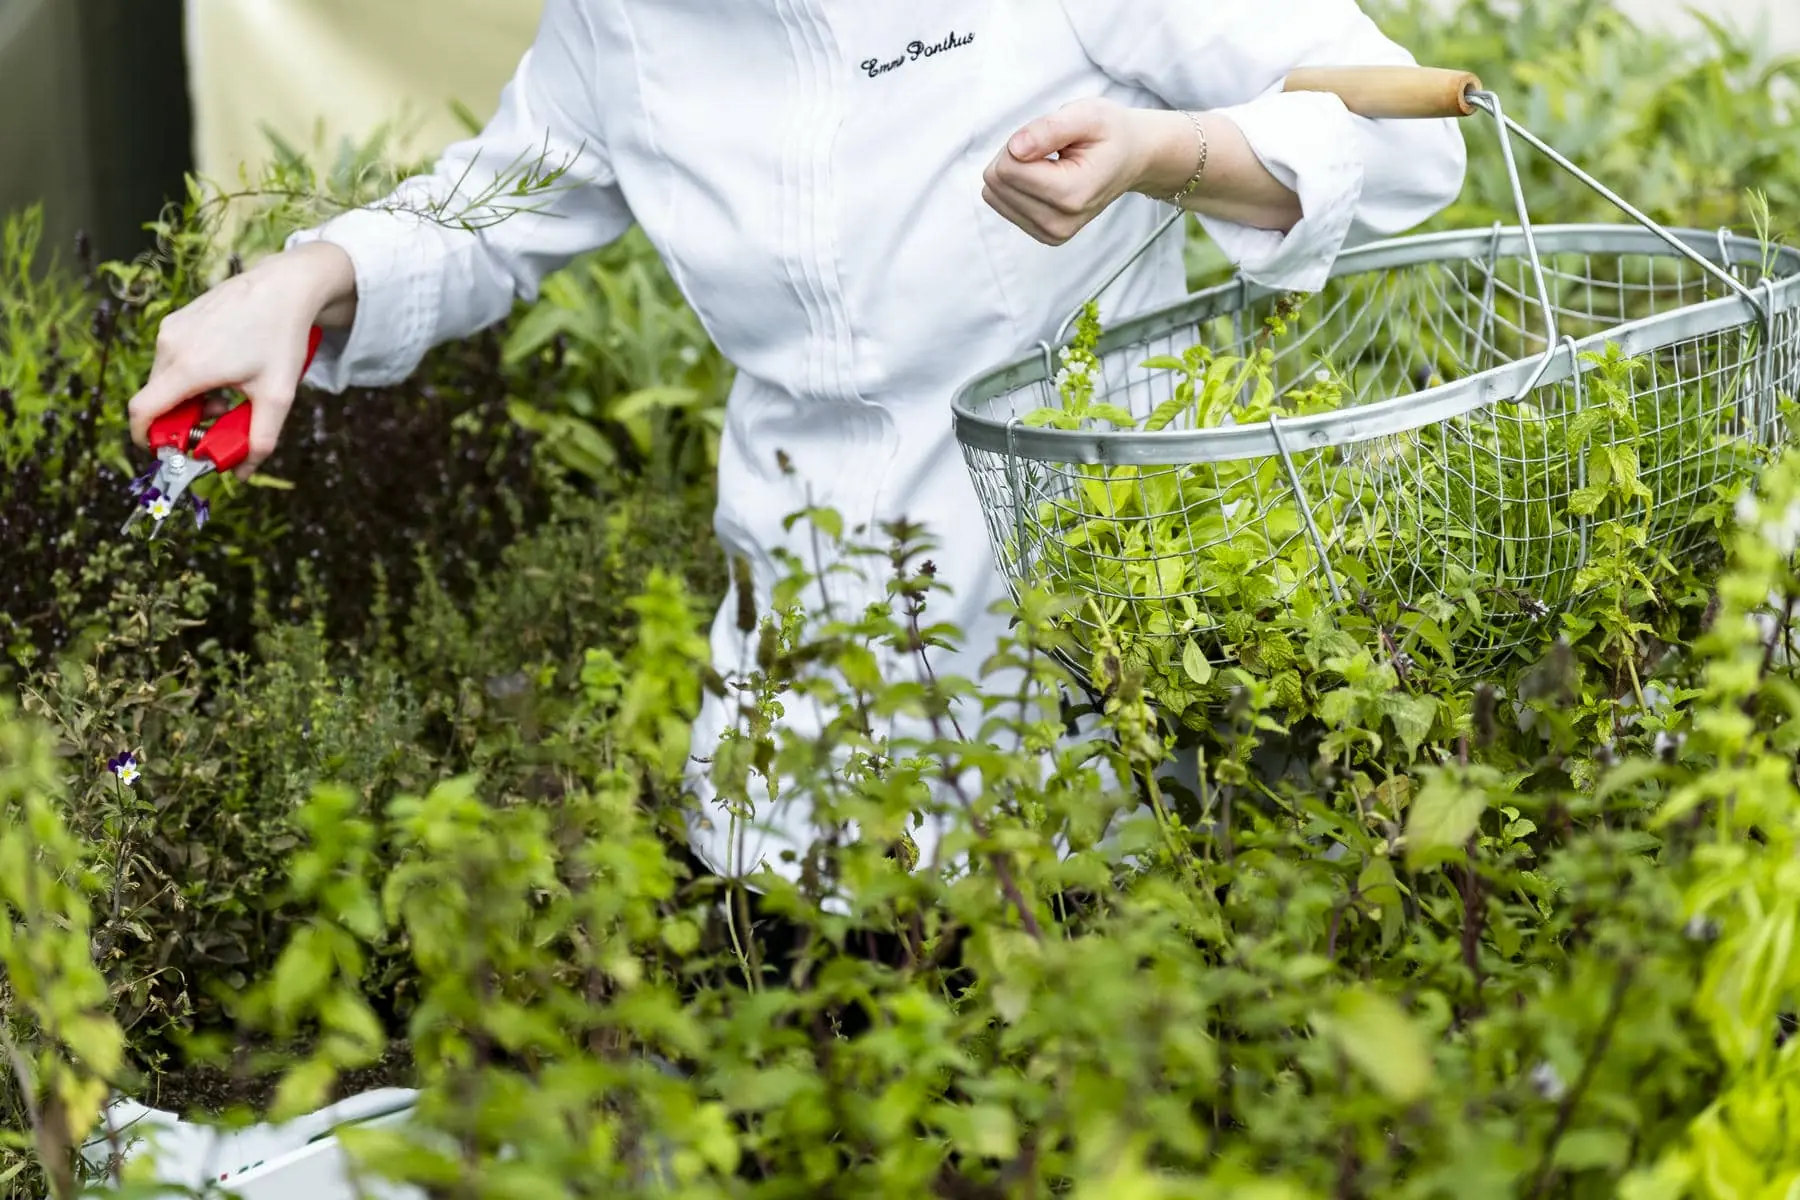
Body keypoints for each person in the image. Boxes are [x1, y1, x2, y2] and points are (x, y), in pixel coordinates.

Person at [129, 0, 1467, 889]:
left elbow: (1402, 134)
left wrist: (1168, 150)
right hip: (781, 750)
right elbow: (504, 195)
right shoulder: (631, 19)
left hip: (1096, 699)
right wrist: (301, 282)